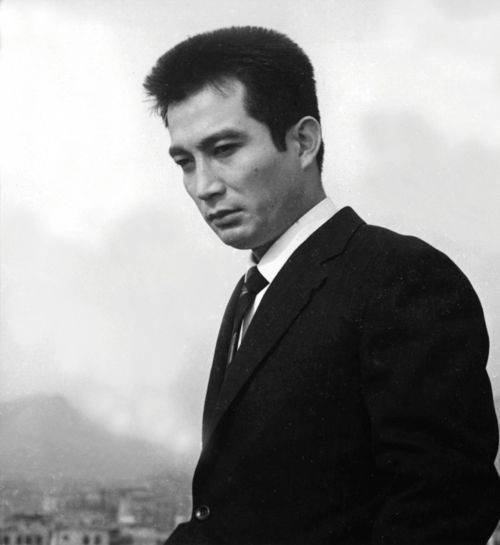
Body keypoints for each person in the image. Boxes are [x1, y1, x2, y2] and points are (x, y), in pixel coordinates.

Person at [144, 26, 500, 545]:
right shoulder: (252, 294)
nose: (203, 186)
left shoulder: (400, 277)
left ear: (303, 142)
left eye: (224, 148)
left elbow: (446, 503)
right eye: (185, 162)